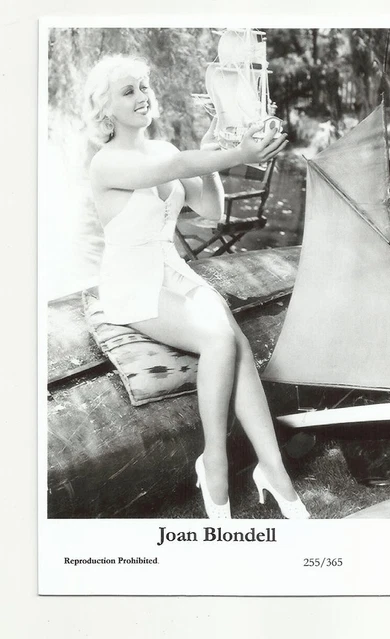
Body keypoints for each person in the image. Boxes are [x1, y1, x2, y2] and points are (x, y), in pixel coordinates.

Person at [84, 54, 309, 519]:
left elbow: (211, 211)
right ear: (105, 110)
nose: (142, 96)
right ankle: (215, 461)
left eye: (144, 86)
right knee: (218, 339)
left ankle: (274, 469)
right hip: (131, 284)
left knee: (237, 343)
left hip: (171, 272)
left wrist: (212, 152)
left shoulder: (163, 149)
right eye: (128, 91)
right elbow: (179, 165)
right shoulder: (106, 164)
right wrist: (239, 154)